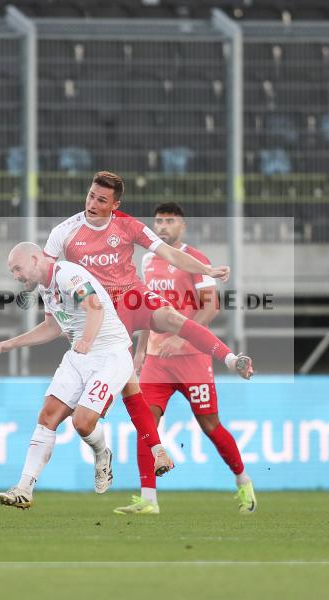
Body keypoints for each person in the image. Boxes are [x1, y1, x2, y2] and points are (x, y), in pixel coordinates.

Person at [42, 171, 255, 479]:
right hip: (103, 315)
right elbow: (47, 273)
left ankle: (232, 359)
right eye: (91, 196)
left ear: (116, 204)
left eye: (102, 200)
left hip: (133, 296)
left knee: (172, 318)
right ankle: (141, 453)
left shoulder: (128, 226)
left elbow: (170, 254)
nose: (92, 203)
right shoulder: (65, 232)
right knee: (121, 391)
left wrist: (206, 268)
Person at [0, 242, 174, 509]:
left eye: (17, 269)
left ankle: (102, 454)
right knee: (47, 415)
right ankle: (24, 488)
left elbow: (95, 308)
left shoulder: (67, 274)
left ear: (34, 259)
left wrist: (86, 341)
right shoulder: (46, 287)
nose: (16, 276)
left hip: (109, 354)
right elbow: (52, 327)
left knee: (82, 423)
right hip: (79, 357)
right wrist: (11, 343)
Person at [114, 203, 256, 516]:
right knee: (146, 425)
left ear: (183, 226)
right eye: (159, 221)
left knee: (210, 425)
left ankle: (243, 480)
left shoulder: (197, 260)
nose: (163, 226)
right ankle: (148, 499)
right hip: (156, 360)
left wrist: (180, 338)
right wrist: (139, 353)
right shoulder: (148, 260)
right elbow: (145, 312)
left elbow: (210, 308)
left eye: (170, 221)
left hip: (192, 358)